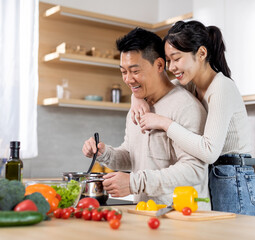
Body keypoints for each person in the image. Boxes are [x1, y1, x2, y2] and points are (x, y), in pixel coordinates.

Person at [131, 21, 255, 216]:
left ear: (201, 54)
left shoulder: (221, 88)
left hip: (235, 182)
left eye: (176, 59)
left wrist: (164, 123)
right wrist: (137, 98)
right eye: (168, 60)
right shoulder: (190, 85)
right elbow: (157, 86)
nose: (171, 67)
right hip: (214, 176)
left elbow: (209, 151)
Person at [82, 27, 210, 209]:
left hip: (181, 218)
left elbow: (194, 171)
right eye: (123, 71)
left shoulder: (185, 107)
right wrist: (105, 153)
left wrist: (135, 183)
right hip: (145, 214)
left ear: (159, 65)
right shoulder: (138, 106)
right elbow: (133, 156)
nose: (128, 79)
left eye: (134, 71)